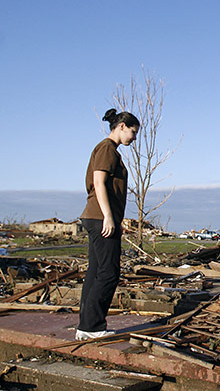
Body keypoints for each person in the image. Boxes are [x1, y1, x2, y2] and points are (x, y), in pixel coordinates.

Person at [76, 108, 139, 341]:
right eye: (133, 132)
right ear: (121, 126)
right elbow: (99, 182)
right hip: (100, 218)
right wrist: (109, 217)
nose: (134, 138)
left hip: (95, 216)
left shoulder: (109, 149)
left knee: (95, 272)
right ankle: (92, 326)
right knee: (109, 273)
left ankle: (86, 325)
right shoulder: (107, 149)